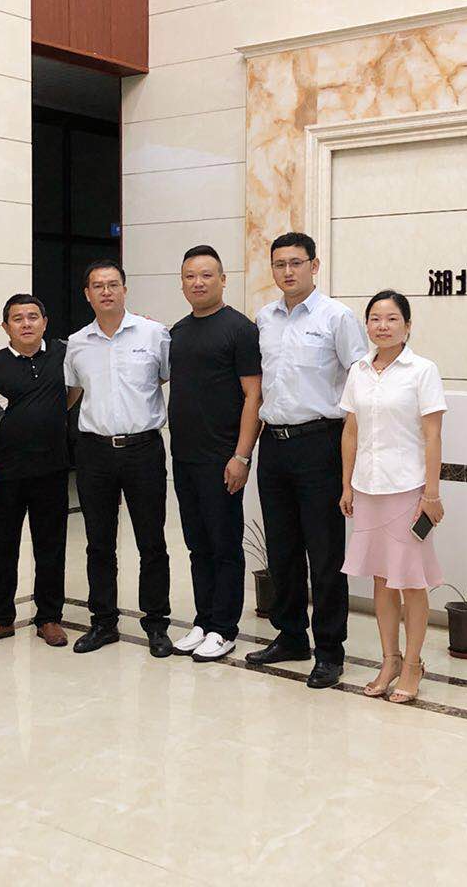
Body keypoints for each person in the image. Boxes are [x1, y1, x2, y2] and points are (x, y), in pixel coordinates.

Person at [246, 231, 368, 689]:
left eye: (296, 262)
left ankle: (330, 650)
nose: (288, 271)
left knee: (325, 552)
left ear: (314, 266)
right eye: (280, 264)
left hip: (320, 442)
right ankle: (291, 635)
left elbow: (360, 384)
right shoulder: (264, 318)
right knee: (282, 549)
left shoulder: (337, 317)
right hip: (274, 445)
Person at [339, 289, 447, 704]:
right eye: (375, 319)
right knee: (381, 579)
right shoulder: (359, 370)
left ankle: (414, 664)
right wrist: (346, 485)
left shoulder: (422, 370)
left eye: (391, 319)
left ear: (407, 325)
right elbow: (351, 431)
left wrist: (431, 494)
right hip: (368, 488)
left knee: (411, 582)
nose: (382, 326)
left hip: (408, 490)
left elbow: (433, 435)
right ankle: (390, 660)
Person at [63, 258, 174, 658]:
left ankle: (156, 624)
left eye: (113, 284)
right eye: (98, 286)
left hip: (143, 449)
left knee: (152, 541)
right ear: (87, 294)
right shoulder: (77, 343)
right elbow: (71, 394)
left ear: (125, 289)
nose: (106, 291)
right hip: (94, 452)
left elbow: (166, 376)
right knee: (98, 542)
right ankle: (103, 622)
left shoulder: (154, 334)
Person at [168, 245, 262, 663]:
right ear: (182, 283)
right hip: (185, 457)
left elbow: (253, 395)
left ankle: (225, 628)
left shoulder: (240, 330)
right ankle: (203, 620)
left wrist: (241, 456)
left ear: (223, 280)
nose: (198, 282)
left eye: (207, 275)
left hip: (222, 458)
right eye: (190, 276)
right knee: (197, 545)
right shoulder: (178, 332)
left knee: (224, 545)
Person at [0, 294, 71, 649]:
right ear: (5, 326)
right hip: (5, 473)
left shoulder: (63, 354)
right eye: (17, 318)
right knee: (3, 547)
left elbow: (73, 393)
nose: (26, 324)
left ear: (44, 322)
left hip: (52, 469)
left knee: (51, 547)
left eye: (32, 316)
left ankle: (49, 618)